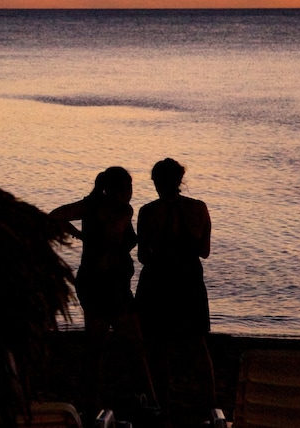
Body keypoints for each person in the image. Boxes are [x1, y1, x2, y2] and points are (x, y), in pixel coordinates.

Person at [50, 167, 156, 417]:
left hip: (111, 283)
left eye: (130, 188)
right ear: (111, 189)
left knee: (109, 347)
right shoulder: (101, 207)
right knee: (121, 346)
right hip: (103, 283)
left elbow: (57, 216)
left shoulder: (107, 208)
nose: (129, 193)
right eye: (124, 188)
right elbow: (56, 216)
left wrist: (84, 236)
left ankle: (101, 402)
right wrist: (82, 235)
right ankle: (146, 401)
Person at [135, 158, 217, 424]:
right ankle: (209, 406)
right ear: (180, 180)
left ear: (157, 182)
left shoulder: (148, 211)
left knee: (157, 348)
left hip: (157, 282)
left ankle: (163, 407)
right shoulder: (199, 208)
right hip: (188, 280)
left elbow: (143, 256)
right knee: (197, 346)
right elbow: (203, 251)